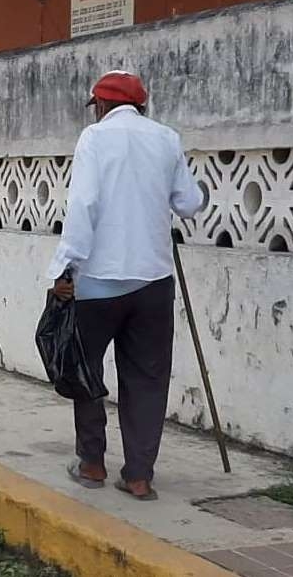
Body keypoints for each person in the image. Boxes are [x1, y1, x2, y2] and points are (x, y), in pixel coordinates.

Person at [47, 70, 203, 501]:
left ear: (100, 105)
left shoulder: (94, 138)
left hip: (98, 281)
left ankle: (93, 463)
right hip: (153, 281)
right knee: (148, 378)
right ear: (142, 106)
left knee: (87, 372)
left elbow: (83, 205)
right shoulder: (167, 139)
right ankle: (139, 476)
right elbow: (189, 204)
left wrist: (64, 268)